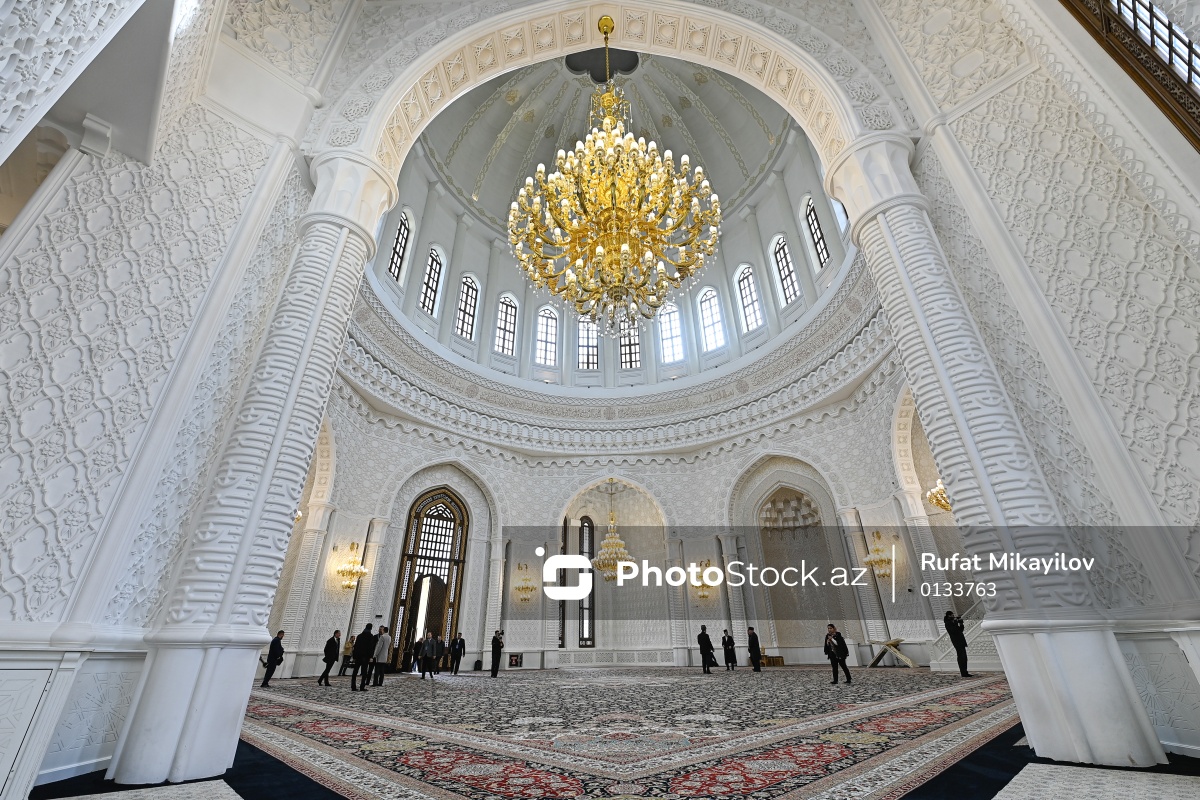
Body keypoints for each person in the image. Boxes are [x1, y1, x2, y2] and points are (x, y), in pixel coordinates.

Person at [944, 610, 973, 677]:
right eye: (952, 615)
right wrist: (955, 622)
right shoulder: (948, 623)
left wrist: (961, 623)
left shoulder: (953, 622)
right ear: (948, 616)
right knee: (961, 656)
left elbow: (960, 630)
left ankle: (965, 672)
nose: (953, 616)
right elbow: (953, 631)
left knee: (964, 657)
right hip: (956, 641)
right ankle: (963, 672)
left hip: (961, 640)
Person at [350, 624, 375, 691]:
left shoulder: (359, 636)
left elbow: (356, 646)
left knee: (355, 672)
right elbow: (370, 647)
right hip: (365, 657)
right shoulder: (370, 636)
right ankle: (362, 686)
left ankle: (353, 686)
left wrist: (354, 656)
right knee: (364, 673)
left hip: (358, 656)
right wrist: (371, 656)